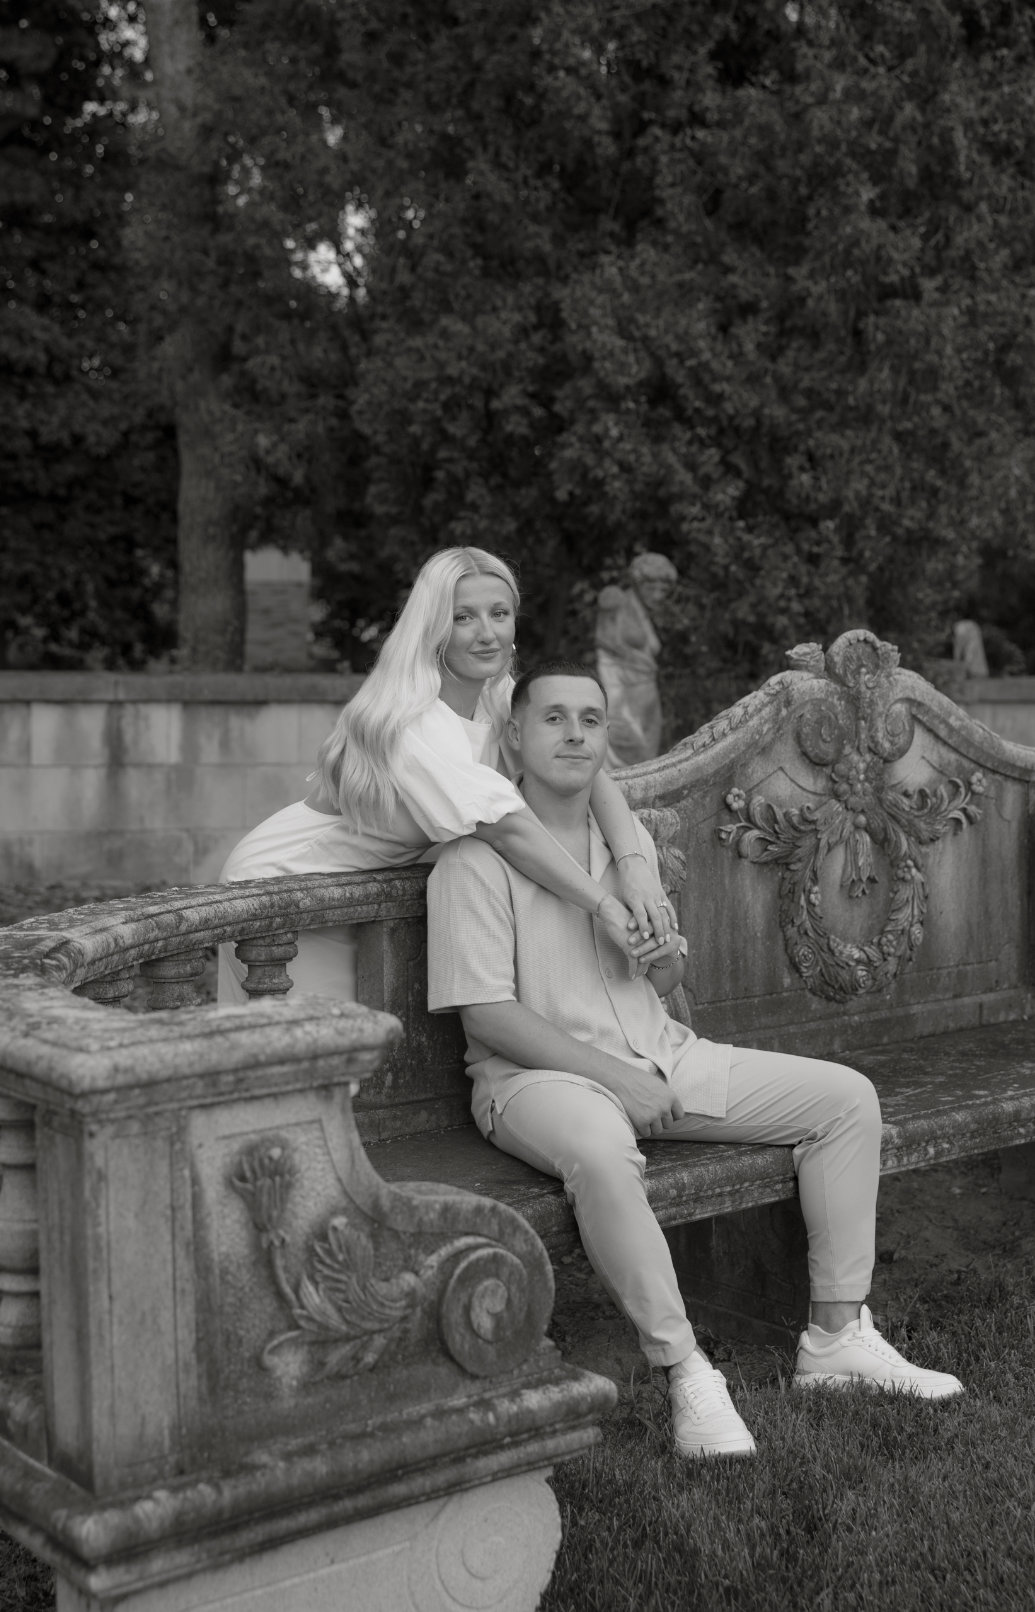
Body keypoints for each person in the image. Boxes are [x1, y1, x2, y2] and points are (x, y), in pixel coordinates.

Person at [427, 660, 964, 1460]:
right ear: (512, 735)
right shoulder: (471, 862)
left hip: (662, 1055)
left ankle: (834, 1339)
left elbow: (663, 979)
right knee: (602, 1154)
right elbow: (488, 1017)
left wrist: (662, 957)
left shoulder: (626, 848)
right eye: (553, 718)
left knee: (845, 1100)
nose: (574, 734)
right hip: (536, 1082)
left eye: (590, 719)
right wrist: (617, 1081)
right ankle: (685, 1370)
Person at [218, 548, 674, 1004]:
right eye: (463, 618)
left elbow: (591, 775)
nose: (487, 633)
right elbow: (509, 831)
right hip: (288, 879)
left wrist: (634, 866)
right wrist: (605, 905)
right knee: (314, 1038)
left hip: (359, 893)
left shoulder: (499, 698)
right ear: (434, 627)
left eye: (499, 614)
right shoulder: (412, 720)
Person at [595, 552, 677, 767]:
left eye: (664, 591)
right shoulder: (615, 600)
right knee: (627, 751)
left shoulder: (644, 613)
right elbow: (604, 642)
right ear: (639, 583)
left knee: (647, 758)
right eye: (653, 588)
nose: (658, 596)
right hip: (623, 693)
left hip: (647, 697)